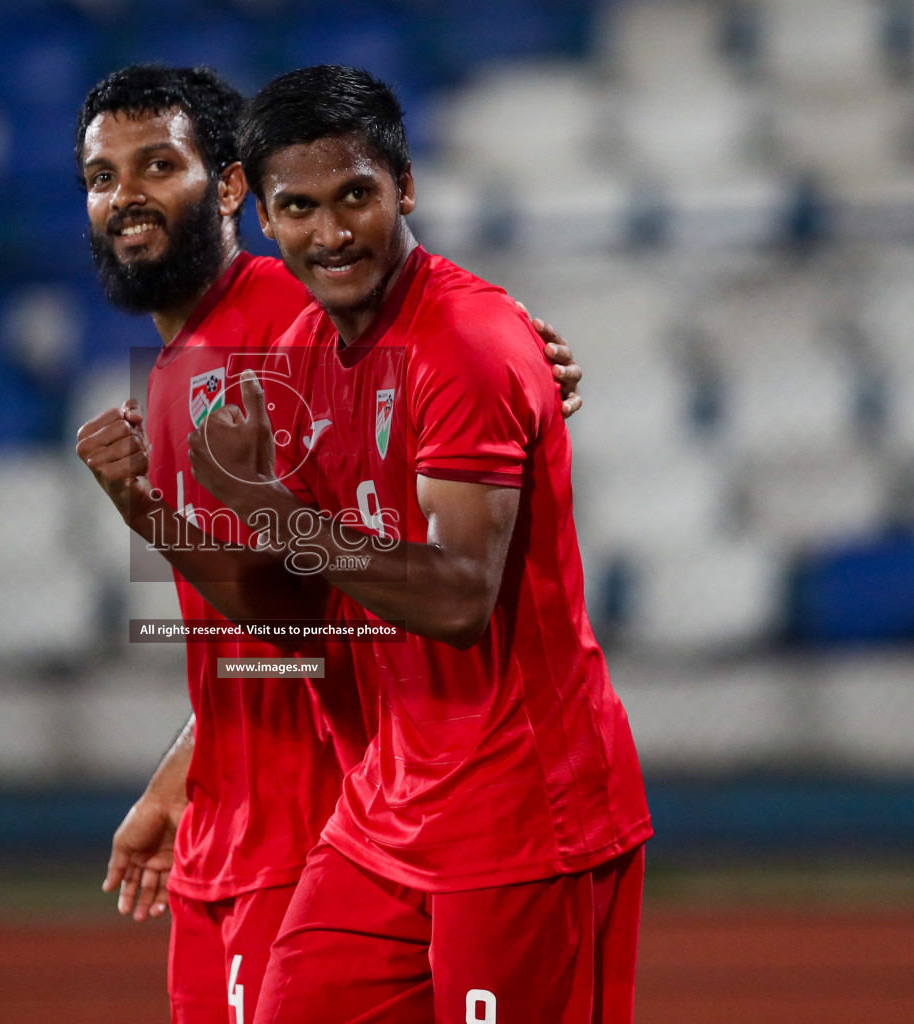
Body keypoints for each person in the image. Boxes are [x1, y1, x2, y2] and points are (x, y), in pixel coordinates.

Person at [73, 65, 585, 1024]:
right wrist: (188, 775)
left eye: (157, 165)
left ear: (231, 190)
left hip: (327, 818)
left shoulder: (283, 321)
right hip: (247, 820)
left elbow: (435, 349)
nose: (127, 196)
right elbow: (266, 622)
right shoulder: (181, 361)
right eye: (103, 178)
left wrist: (520, 347)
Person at [181, 65, 652, 1024]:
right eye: (299, 207)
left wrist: (273, 511)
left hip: (525, 816)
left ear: (406, 186)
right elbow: (295, 615)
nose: (333, 231)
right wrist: (155, 510)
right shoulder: (306, 358)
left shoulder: (466, 344)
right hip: (387, 812)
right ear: (264, 222)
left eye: (356, 194)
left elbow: (456, 598)